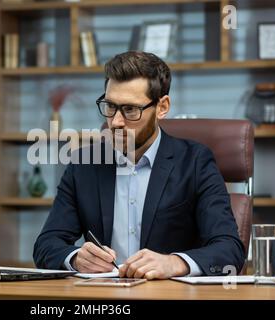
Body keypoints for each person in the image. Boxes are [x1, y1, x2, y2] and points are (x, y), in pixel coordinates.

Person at [33, 51, 245, 279]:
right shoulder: (84, 164)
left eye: (130, 110)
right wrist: (76, 258)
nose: (115, 122)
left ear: (162, 107)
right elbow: (46, 244)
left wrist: (174, 263)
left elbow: (229, 249)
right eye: (110, 106)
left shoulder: (195, 162)